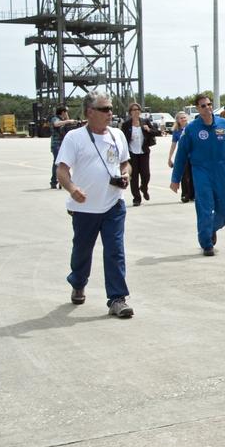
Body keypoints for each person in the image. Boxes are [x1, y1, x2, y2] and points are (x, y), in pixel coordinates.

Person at [55, 93, 134, 318]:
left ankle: (117, 299)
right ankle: (78, 282)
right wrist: (72, 189)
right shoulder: (75, 137)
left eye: (110, 108)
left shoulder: (117, 135)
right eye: (104, 108)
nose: (110, 112)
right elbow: (61, 170)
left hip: (113, 204)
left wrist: (125, 174)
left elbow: (125, 163)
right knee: (82, 251)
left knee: (115, 251)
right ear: (90, 112)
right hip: (85, 208)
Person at [170, 94, 225, 255]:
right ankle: (206, 243)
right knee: (205, 207)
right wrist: (175, 179)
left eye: (209, 104)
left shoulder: (224, 124)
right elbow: (181, 155)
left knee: (224, 212)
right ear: (197, 108)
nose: (207, 108)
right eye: (203, 106)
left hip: (221, 171)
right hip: (201, 172)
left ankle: (210, 229)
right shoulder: (191, 129)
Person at [124, 102, 158, 207]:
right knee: (134, 176)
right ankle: (136, 198)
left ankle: (144, 187)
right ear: (130, 112)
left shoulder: (145, 122)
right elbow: (123, 139)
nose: (136, 111)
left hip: (143, 152)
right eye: (134, 110)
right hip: (132, 153)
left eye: (138, 109)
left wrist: (149, 129)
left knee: (146, 174)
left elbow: (157, 132)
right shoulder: (126, 124)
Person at [168, 111, 195, 203]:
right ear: (178, 120)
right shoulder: (176, 131)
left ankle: (193, 195)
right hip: (183, 155)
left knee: (193, 175)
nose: (183, 119)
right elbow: (173, 145)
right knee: (184, 176)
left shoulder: (191, 128)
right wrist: (170, 158)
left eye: (184, 117)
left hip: (193, 155)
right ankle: (185, 195)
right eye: (181, 118)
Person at [48, 106, 77, 189]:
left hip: (62, 144)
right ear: (62, 112)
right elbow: (56, 124)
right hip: (56, 144)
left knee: (64, 162)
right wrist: (68, 120)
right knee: (58, 163)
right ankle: (54, 181)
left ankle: (64, 181)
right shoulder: (55, 119)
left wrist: (69, 120)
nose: (67, 113)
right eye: (66, 112)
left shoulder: (63, 120)